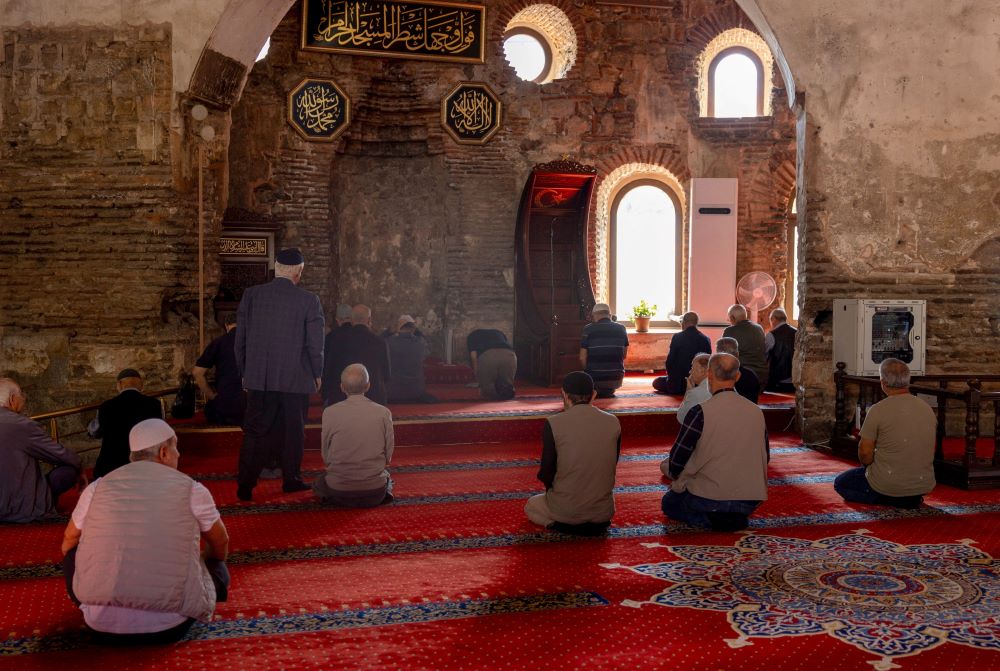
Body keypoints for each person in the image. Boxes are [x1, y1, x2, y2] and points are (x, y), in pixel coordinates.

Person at [62, 419, 230, 644]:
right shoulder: (192, 489)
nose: (178, 454)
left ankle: (95, 605)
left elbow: (69, 539)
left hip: (100, 628)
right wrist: (203, 561)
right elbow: (221, 543)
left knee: (73, 554)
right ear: (163, 452)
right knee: (218, 568)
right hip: (169, 628)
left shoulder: (97, 487)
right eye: (176, 447)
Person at [235, 247, 325, 501]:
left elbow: (240, 339)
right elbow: (314, 344)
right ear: (298, 272)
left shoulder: (252, 295)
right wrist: (317, 373)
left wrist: (245, 371)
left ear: (276, 268)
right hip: (295, 379)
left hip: (259, 378)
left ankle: (245, 483)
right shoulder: (309, 300)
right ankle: (291, 480)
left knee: (255, 431)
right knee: (293, 432)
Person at [661, 353, 769, 532]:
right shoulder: (756, 411)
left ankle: (709, 520)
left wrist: (679, 478)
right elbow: (766, 456)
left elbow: (676, 462)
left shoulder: (700, 412)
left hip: (708, 498)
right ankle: (730, 517)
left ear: (709, 374)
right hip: (749, 499)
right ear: (737, 376)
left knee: (670, 503)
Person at [525, 371, 621, 536]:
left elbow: (546, 473)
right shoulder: (613, 422)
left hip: (566, 511)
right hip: (603, 513)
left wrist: (555, 493)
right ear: (594, 395)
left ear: (563, 394)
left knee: (531, 505)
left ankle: (560, 525)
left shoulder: (554, 423)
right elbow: (613, 462)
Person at [833, 358, 936, 509]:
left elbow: (865, 453)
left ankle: (888, 498)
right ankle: (908, 498)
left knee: (841, 483)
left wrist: (870, 468)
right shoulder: (927, 408)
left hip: (887, 484)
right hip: (923, 484)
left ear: (883, 382)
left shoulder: (878, 410)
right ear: (908, 380)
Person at [0, 378, 84, 523]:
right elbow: (59, 454)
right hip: (22, 506)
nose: (24, 399)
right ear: (13, 399)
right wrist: (79, 466)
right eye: (22, 395)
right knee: (68, 471)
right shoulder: (22, 425)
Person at [313, 364, 395, 507]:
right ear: (368, 386)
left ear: (342, 387)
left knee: (319, 482)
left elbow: (326, 455)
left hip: (339, 491)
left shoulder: (330, 412)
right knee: (387, 478)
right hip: (375, 492)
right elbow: (388, 455)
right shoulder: (383, 412)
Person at [90, 368, 164, 479]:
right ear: (141, 384)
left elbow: (94, 432)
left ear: (119, 384)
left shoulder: (106, 407)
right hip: (144, 467)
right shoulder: (155, 405)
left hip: (110, 468)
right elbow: (161, 433)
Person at [323, 304, 391, 406]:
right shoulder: (380, 342)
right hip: (373, 398)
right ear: (369, 320)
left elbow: (328, 373)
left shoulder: (337, 341)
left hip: (342, 397)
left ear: (351, 320)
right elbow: (386, 375)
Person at [192, 313, 246, 426]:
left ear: (226, 325)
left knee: (211, 409)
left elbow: (197, 373)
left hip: (225, 407)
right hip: (251, 407)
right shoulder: (253, 344)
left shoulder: (218, 342)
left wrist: (212, 396)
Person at [653, 312, 711, 395]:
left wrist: (671, 378)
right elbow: (707, 364)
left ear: (683, 323)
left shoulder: (677, 337)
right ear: (696, 323)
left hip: (678, 384)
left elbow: (670, 361)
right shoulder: (706, 339)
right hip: (697, 384)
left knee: (656, 382)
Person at [580, 303, 629, 398]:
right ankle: (609, 389)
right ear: (609, 315)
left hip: (594, 379)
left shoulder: (588, 329)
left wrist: (588, 372)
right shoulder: (621, 328)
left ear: (595, 315)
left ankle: (597, 388)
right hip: (616, 379)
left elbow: (582, 358)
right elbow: (624, 355)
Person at [386, 315, 436, 403]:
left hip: (394, 392)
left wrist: (388, 331)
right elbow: (428, 349)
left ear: (398, 328)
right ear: (413, 328)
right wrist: (416, 330)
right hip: (416, 391)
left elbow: (378, 342)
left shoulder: (389, 342)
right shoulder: (421, 342)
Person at [723, 304, 768, 388]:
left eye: (729, 318)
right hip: (762, 379)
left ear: (732, 318)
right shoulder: (759, 328)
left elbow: (724, 356)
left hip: (742, 380)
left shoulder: (730, 331)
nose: (728, 320)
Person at [466, 328, 517, 400]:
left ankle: (493, 397)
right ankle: (507, 393)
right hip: (510, 355)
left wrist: (478, 377)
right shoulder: (499, 332)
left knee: (486, 390)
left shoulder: (471, 336)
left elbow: (473, 356)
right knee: (507, 384)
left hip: (488, 355)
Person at [321, 303, 354, 406]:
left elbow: (325, 365)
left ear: (338, 320)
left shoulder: (330, 337)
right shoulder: (359, 335)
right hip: (356, 387)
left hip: (335, 389)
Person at [715, 337, 760, 404]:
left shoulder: (715, 377)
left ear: (717, 357)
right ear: (738, 354)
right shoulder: (751, 376)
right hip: (749, 413)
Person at [765, 308, 796, 392]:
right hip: (795, 379)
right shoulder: (797, 332)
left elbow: (764, 356)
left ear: (773, 319)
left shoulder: (771, 335)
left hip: (778, 381)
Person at [675, 353, 711, 425]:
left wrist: (688, 391)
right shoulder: (726, 386)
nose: (690, 372)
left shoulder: (696, 393)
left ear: (702, 370)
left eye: (692, 368)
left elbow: (681, 418)